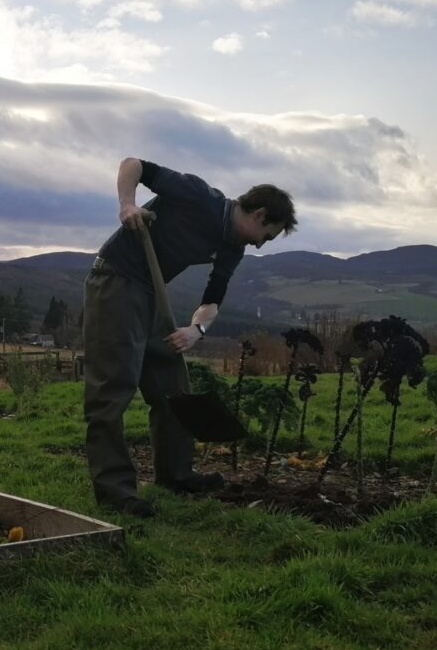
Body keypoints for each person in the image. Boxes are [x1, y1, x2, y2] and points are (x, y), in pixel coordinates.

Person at [83, 157, 297, 517]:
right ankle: (116, 492)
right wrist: (127, 204)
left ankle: (176, 474)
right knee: (112, 389)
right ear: (259, 215)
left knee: (173, 385)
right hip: (115, 283)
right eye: (268, 235)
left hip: (152, 293)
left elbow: (212, 300)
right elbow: (134, 164)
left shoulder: (233, 246)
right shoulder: (199, 196)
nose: (262, 245)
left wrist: (195, 330)